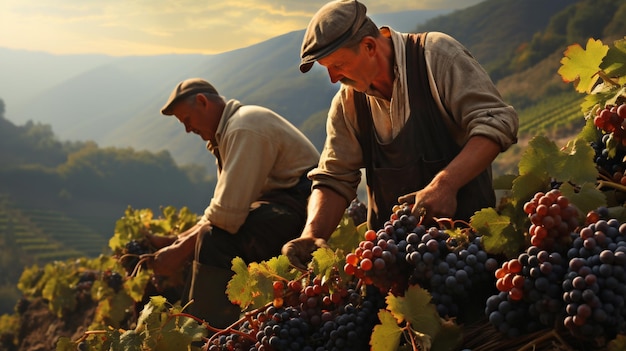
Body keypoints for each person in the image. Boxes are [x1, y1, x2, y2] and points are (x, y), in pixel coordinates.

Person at [282, 0, 519, 269]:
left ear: (369, 46)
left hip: (468, 249)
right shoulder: (348, 104)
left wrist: (446, 184)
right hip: (392, 264)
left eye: (338, 65)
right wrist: (313, 234)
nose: (333, 78)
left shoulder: (435, 57)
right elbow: (333, 177)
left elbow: (497, 121)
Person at [149, 78, 320, 328]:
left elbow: (226, 218)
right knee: (203, 238)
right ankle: (207, 323)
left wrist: (180, 251)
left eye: (186, 120)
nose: (187, 129)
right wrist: (177, 240)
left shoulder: (243, 128)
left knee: (213, 240)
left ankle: (206, 331)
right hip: (285, 207)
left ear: (202, 102)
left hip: (301, 211)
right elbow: (224, 207)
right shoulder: (230, 131)